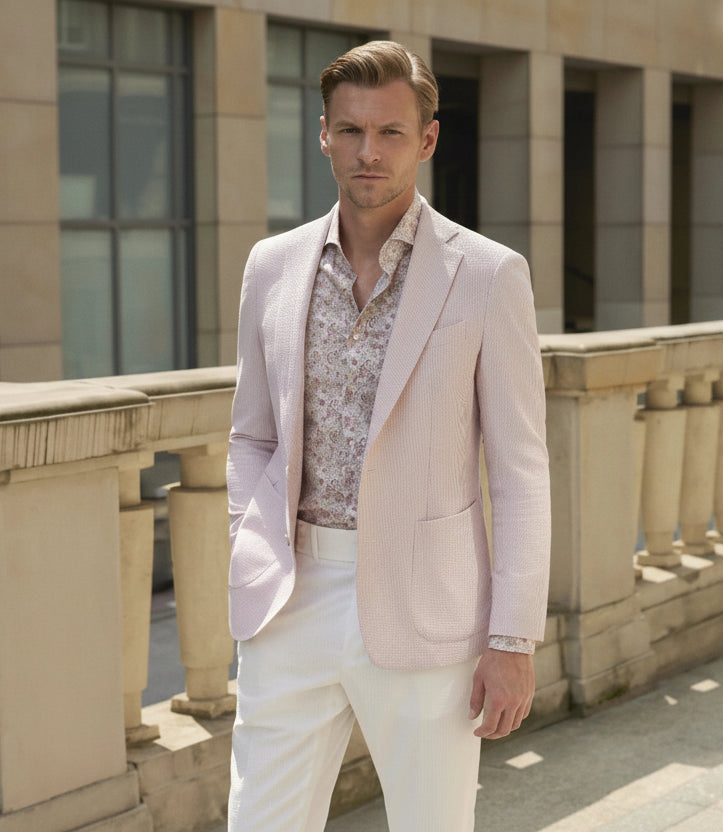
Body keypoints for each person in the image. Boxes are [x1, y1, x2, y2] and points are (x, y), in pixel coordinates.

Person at [225, 40, 551, 832]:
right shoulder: (272, 266)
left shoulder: (487, 274)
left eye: (391, 133)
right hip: (292, 597)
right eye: (351, 131)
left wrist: (512, 639)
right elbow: (251, 436)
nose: (369, 152)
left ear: (427, 140)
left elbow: (518, 471)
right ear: (325, 135)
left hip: (428, 611)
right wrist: (250, 544)